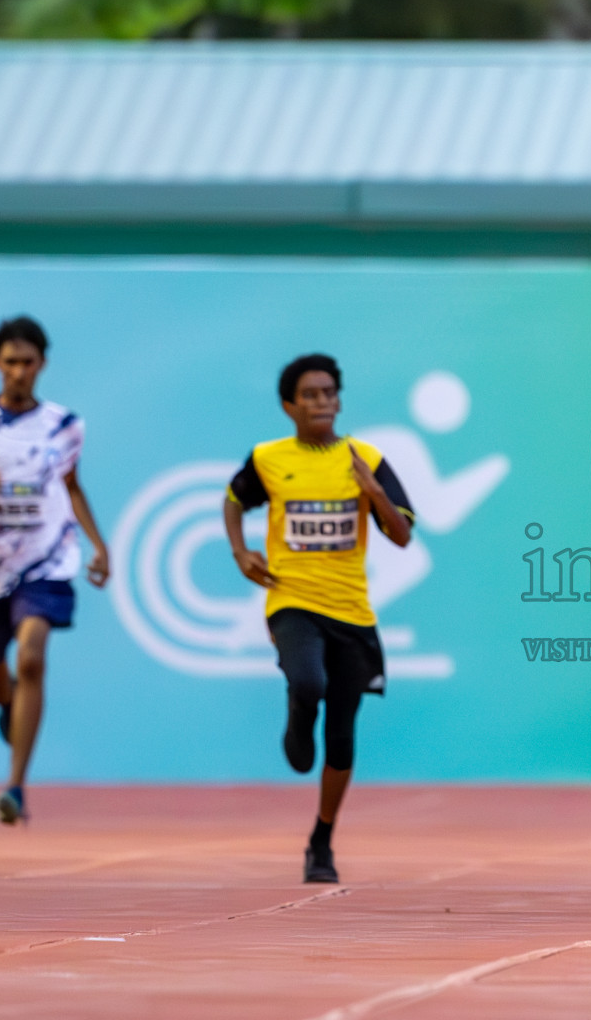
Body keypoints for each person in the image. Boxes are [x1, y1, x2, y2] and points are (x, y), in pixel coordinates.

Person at [223, 354, 414, 884]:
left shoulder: (365, 458)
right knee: (309, 680)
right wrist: (241, 553)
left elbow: (402, 535)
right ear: (289, 405)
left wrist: (373, 493)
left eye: (329, 393)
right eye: (310, 395)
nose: (322, 403)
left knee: (343, 737)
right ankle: (298, 703)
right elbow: (234, 500)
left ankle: (321, 840)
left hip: (350, 611)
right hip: (291, 601)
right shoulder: (267, 458)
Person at [0, 316, 109, 825]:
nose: (18, 372)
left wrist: (98, 545)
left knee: (32, 656)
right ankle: (8, 705)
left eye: (27, 362)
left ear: (42, 365)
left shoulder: (64, 425)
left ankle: (15, 786)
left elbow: (72, 487)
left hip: (45, 560)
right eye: (9, 362)